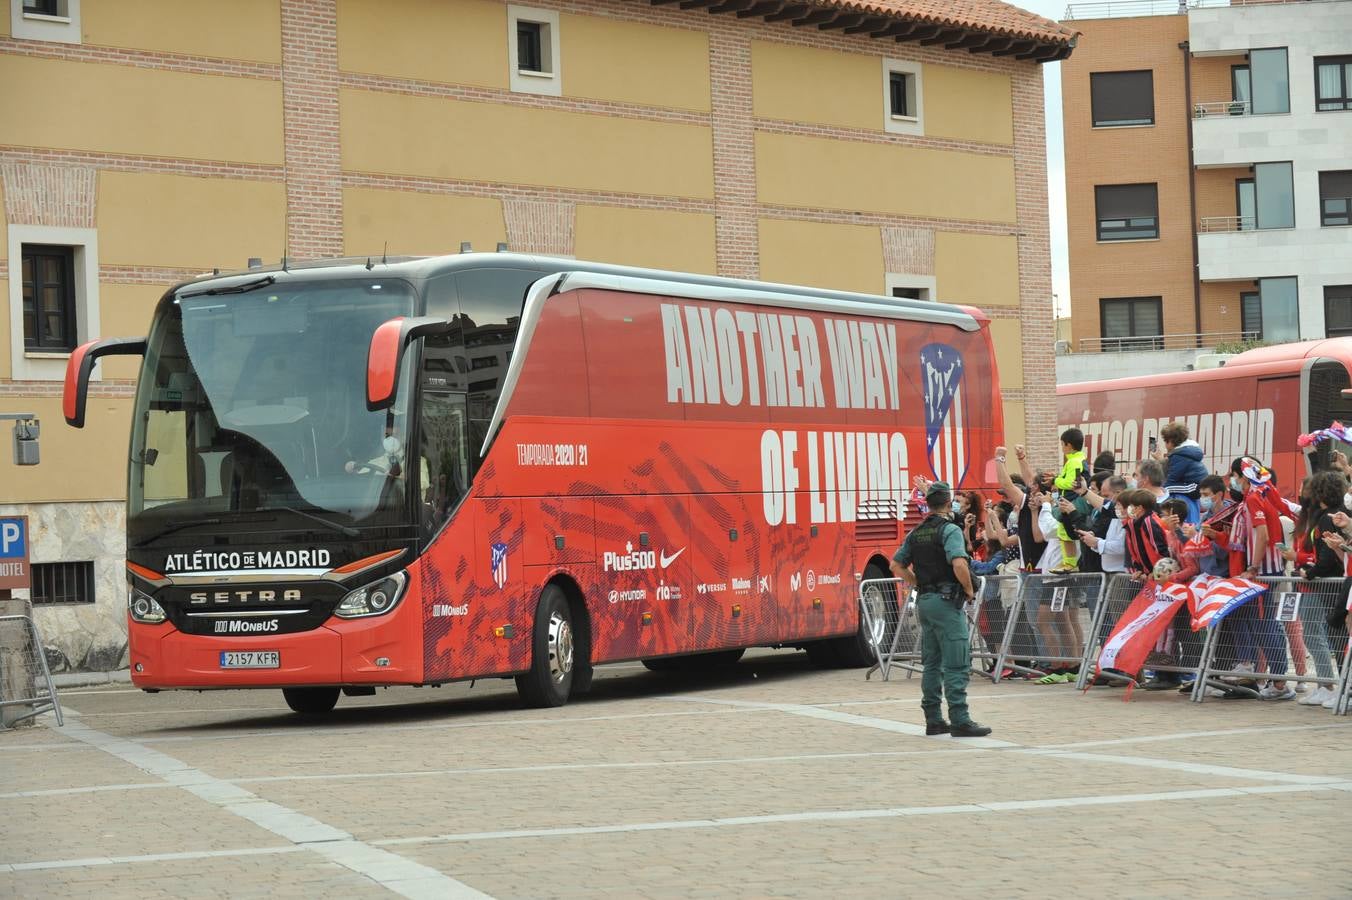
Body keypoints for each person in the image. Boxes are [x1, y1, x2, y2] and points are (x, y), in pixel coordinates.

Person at [890, 481, 993, 738]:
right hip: (947, 603)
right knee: (957, 660)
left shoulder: (916, 532)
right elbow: (959, 563)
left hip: (925, 601)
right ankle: (960, 719)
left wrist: (919, 584)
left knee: (932, 662)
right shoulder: (949, 530)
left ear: (929, 503)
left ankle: (933, 719)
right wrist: (969, 590)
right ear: (948, 503)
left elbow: (896, 566)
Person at [1228, 457, 1294, 701]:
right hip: (1268, 571)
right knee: (1264, 625)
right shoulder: (1265, 492)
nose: (1234, 482)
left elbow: (1263, 534)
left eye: (1235, 477)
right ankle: (1277, 680)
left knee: (1265, 626)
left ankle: (1279, 683)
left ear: (1243, 477)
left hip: (1265, 572)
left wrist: (1253, 566)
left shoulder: (1256, 496)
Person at [1049, 428, 1088, 573]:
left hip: (1072, 502)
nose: (1061, 448)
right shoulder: (1074, 460)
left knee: (1066, 533)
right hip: (1069, 502)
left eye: (1062, 444)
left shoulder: (1075, 462)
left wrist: (1055, 480)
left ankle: (1070, 564)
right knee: (1063, 533)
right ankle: (1068, 563)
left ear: (1069, 445)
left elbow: (1072, 483)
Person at [1154, 421, 1208, 520]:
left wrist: (1159, 498)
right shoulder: (1186, 451)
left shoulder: (1180, 455)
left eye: (1166, 442)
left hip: (1193, 487)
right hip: (1195, 486)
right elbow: (1173, 469)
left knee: (1166, 489)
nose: (1165, 446)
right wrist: (1161, 460)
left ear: (1170, 441)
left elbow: (1171, 479)